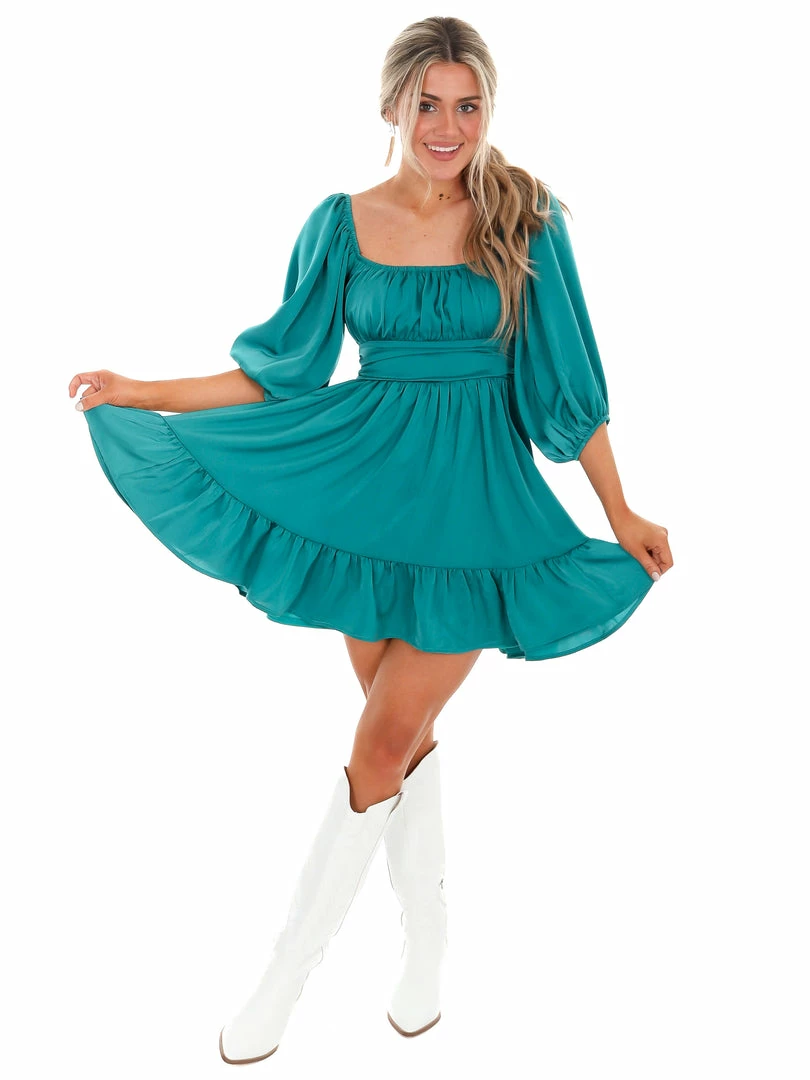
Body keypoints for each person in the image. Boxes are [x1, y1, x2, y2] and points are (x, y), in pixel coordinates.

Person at [67, 15, 673, 1065]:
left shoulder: (526, 217)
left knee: (383, 742)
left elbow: (568, 388)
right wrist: (143, 389)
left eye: (469, 105)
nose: (448, 126)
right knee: (400, 738)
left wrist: (620, 512)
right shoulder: (340, 223)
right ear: (392, 104)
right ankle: (426, 943)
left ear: (489, 111)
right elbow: (278, 371)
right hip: (363, 498)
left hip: (476, 512)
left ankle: (281, 980)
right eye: (428, 103)